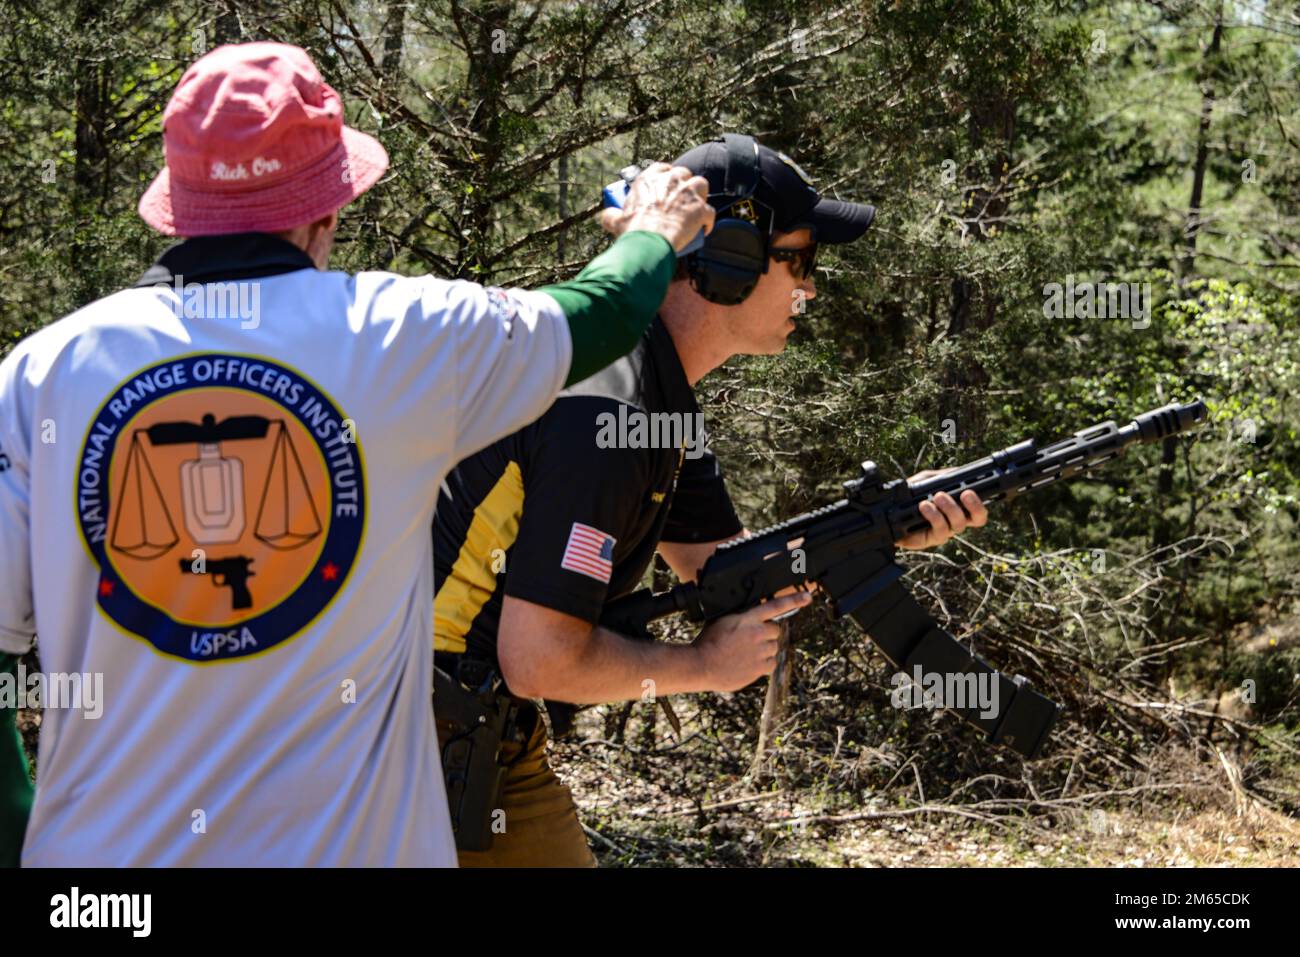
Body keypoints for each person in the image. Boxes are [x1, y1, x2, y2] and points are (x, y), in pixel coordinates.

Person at [0, 41, 712, 866]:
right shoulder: (401, 338)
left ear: (177, 208)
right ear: (325, 212)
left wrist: (26, 837)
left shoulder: (38, 374)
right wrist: (655, 229)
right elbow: (599, 316)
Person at [430, 134, 988, 866]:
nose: (810, 289)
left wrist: (883, 530)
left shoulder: (654, 392)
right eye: (801, 260)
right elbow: (540, 659)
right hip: (402, 732)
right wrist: (702, 667)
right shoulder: (610, 399)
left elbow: (729, 573)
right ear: (727, 261)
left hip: (480, 729)